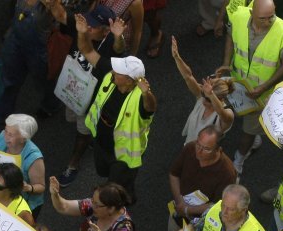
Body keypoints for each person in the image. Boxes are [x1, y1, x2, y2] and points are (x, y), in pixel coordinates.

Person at [77, 15, 157, 200]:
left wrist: (147, 93)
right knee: (104, 174)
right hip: (102, 143)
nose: (113, 71)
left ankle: (123, 201)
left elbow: (150, 108)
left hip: (123, 157)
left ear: (130, 80)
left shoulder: (140, 97)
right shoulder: (112, 76)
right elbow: (87, 50)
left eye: (118, 71)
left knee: (114, 190)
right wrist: (82, 33)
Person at [49, 4, 126, 188]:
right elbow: (59, 13)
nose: (87, 27)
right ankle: (93, 135)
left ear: (105, 30)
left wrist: (118, 36)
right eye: (88, 23)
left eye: (92, 26)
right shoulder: (81, 27)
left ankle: (73, 165)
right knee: (72, 120)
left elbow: (119, 48)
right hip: (71, 89)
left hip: (91, 100)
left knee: (82, 132)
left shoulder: (109, 46)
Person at [218, 0, 283, 174]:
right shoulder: (238, 16)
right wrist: (226, 63)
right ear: (252, 13)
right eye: (263, 18)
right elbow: (230, 37)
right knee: (226, 112)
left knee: (249, 129)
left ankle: (239, 159)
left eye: (272, 17)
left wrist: (264, 87)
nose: (268, 22)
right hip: (236, 82)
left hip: (260, 93)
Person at [165, 126, 238, 231]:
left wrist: (188, 209)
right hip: (178, 212)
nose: (199, 151)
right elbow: (174, 174)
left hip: (202, 224)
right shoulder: (190, 148)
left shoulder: (227, 172)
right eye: (198, 144)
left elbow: (218, 206)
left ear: (218, 149)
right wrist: (180, 202)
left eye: (206, 149)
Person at [0, 0, 54, 121]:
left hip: (40, 46)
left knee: (44, 78)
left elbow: (62, 16)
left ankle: (50, 105)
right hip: (16, 38)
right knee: (8, 75)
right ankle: (1, 112)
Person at [172, 37, 235, 143]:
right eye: (204, 96)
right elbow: (188, 76)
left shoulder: (226, 116)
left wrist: (210, 94)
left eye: (209, 99)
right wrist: (177, 57)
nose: (203, 101)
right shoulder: (203, 96)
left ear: (221, 99)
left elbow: (221, 111)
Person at [0, 114, 46, 218]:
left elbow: (41, 187)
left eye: (10, 135)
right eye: (6, 130)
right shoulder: (3, 135)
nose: (5, 136)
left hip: (22, 204)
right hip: (3, 194)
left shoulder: (34, 158)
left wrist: (28, 187)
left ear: (23, 139)